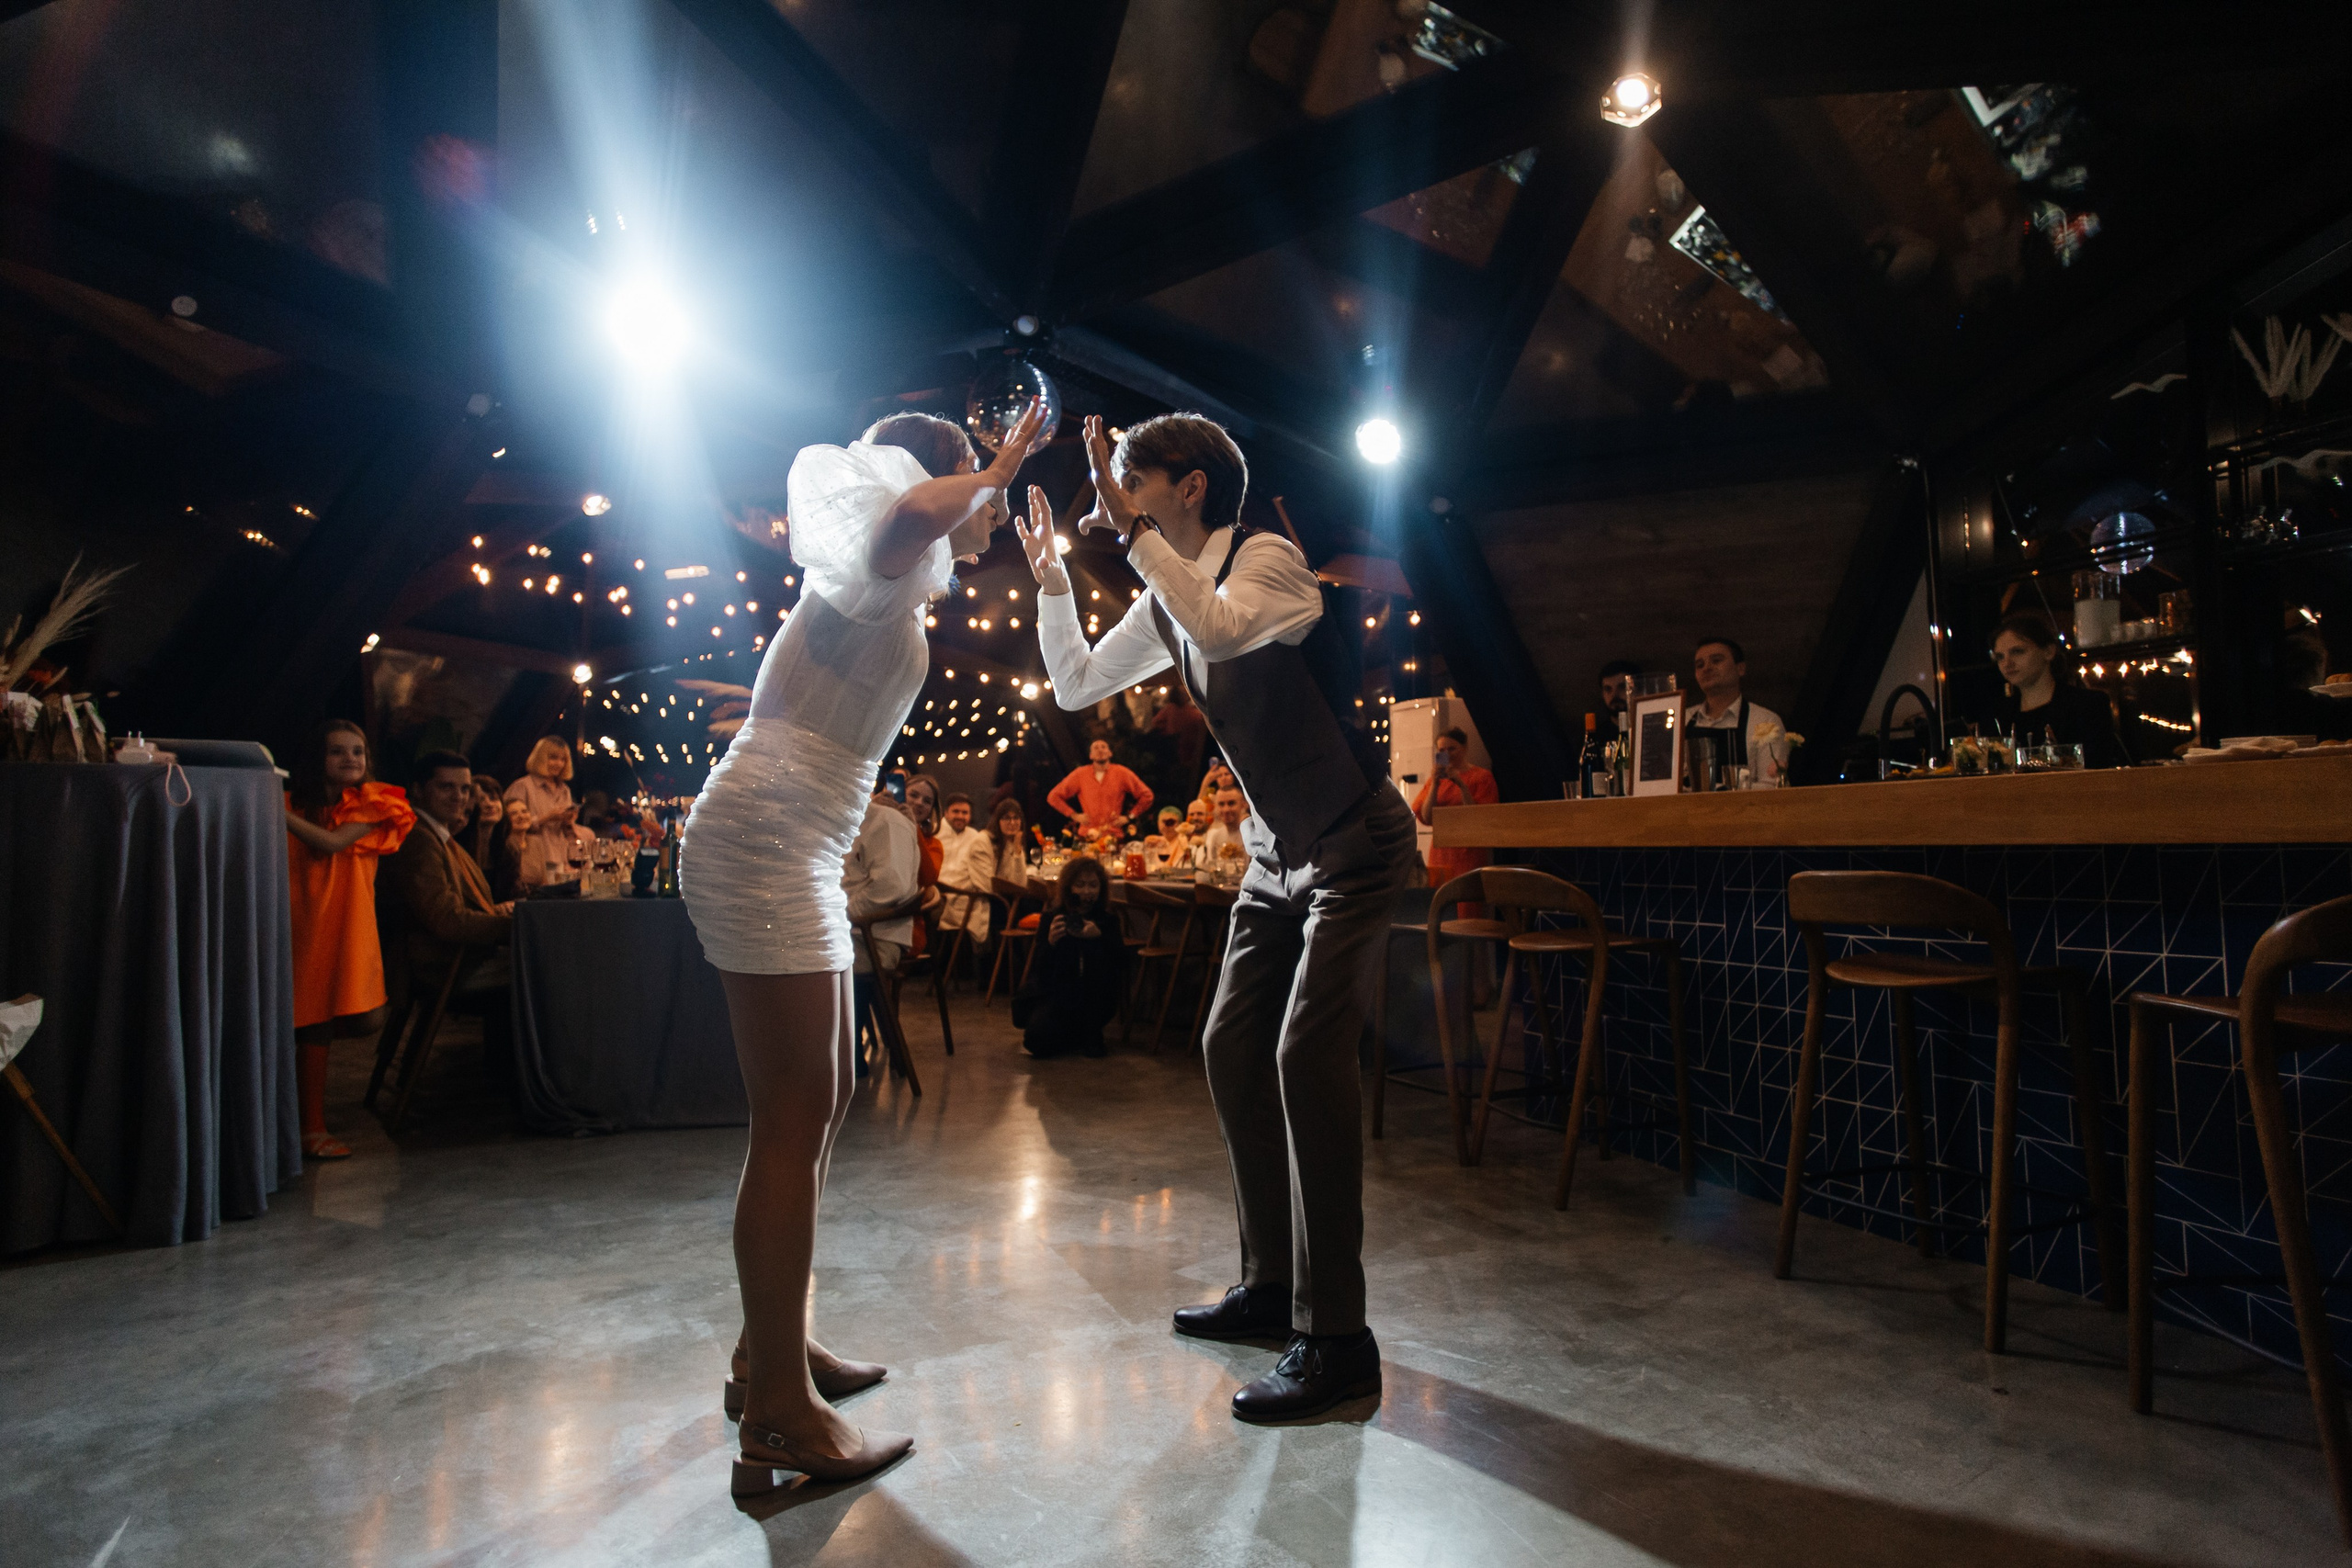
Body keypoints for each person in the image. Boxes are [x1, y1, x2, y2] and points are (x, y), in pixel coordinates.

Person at [677, 395, 1048, 1491]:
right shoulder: (882, 558)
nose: (985, 503)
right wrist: (990, 472)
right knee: (791, 1119)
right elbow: (899, 524)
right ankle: (781, 1416)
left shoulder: (886, 589)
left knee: (822, 1100)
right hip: (764, 837)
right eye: (972, 479)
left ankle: (770, 1352)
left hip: (800, 844)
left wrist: (983, 483)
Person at [1016, 411, 1418, 1423]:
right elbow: (1074, 681)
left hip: (1354, 843)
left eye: (1129, 483)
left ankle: (1338, 1341)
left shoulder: (1269, 560)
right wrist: (1056, 587)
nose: (1116, 501)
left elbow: (1228, 627)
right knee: (1230, 1046)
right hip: (1275, 858)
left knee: (1304, 1056)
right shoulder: (1166, 595)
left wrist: (1140, 550)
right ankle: (1270, 1288)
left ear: (1188, 487)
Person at [283, 720, 415, 1160]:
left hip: (342, 922)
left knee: (343, 1017)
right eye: (337, 751)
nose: (350, 759)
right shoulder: (291, 802)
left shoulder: (373, 803)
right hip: (294, 918)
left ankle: (307, 1124)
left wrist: (273, 813)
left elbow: (330, 844)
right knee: (304, 1019)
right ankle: (302, 1126)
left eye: (357, 751)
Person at [379, 750, 517, 1078]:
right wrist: (514, 927)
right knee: (541, 975)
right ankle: (515, 1085)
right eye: (446, 788)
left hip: (452, 958)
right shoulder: (418, 840)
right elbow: (447, 921)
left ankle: (506, 1081)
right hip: (442, 965)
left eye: (465, 789)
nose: (459, 797)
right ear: (418, 789)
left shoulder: (437, 835)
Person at [1988, 611, 2132, 768]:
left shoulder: (2086, 705)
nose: (2007, 663)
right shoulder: (1999, 715)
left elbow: (2096, 767)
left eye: (2017, 652)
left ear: (2048, 652)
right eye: (2000, 657)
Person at [843, 789, 922, 1073]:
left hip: (875, 935)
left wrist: (840, 914)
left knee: (793, 958)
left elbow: (891, 887)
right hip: (855, 931)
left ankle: (835, 1058)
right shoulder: (846, 819)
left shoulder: (885, 820)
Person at [1014, 856, 1124, 1060]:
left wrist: (1097, 939)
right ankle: (1076, 1034)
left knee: (1094, 1050)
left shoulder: (1107, 920)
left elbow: (1119, 967)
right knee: (1035, 1041)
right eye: (1079, 885)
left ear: (1101, 889)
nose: (1086, 892)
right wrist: (1050, 943)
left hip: (1095, 998)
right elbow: (1040, 971)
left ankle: (1083, 1032)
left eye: (1093, 885)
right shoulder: (1054, 917)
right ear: (1069, 887)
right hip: (1059, 994)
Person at [1685, 637, 1788, 783]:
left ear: (1740, 668)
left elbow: (1772, 788)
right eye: (1700, 665)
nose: (1706, 668)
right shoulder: (1682, 719)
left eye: (1716, 660)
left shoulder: (1766, 722)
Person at [1409, 728, 1498, 892]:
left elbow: (1476, 817)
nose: (1447, 754)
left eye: (1452, 748)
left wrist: (1461, 784)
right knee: (1440, 903)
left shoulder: (1481, 776)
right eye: (1442, 750)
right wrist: (1435, 784)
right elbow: (1427, 817)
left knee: (1466, 904)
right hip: (1440, 852)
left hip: (1468, 852)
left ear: (1464, 748)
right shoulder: (1434, 781)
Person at [503, 737, 585, 890]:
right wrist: (547, 818)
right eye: (553, 758)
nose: (559, 764)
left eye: (563, 759)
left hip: (560, 858)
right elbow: (507, 825)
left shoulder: (564, 790)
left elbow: (565, 831)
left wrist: (568, 822)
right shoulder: (523, 786)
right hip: (533, 861)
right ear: (541, 758)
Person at [1046, 737, 1153, 836]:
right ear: (1091, 755)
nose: (1100, 750)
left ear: (1110, 753)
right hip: (1087, 835)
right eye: (1096, 748)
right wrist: (1074, 815)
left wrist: (1129, 817)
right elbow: (1053, 797)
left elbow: (1147, 795)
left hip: (1113, 835)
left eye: (1103, 747)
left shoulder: (1121, 773)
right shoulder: (1080, 774)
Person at [935, 791, 1000, 947]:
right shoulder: (935, 832)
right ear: (946, 813)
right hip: (937, 893)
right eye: (956, 811)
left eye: (965, 813)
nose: (960, 816)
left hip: (966, 894)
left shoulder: (975, 837)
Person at [1148, 683, 1210, 795]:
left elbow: (1155, 723)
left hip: (1188, 750)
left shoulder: (1193, 713)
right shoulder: (1172, 709)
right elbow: (1155, 724)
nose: (1185, 694)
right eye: (1183, 692)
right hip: (1176, 750)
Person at [1203, 784, 1249, 863]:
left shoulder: (1252, 834)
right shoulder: (1216, 836)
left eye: (1231, 803)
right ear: (1216, 806)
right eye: (1221, 804)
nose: (1226, 810)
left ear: (1243, 804)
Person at [1599, 659, 1641, 742]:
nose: (1614, 695)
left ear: (1638, 691)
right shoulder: (1596, 738)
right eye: (1608, 689)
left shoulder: (1648, 730)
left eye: (1622, 687)